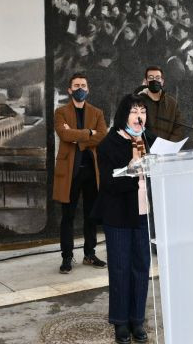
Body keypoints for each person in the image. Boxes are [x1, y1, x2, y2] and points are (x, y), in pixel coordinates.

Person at [94, 94, 152, 343]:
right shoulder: (108, 144)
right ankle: (120, 321)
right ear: (123, 115)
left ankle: (137, 319)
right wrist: (132, 169)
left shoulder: (148, 139)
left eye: (143, 111)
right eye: (134, 111)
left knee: (141, 267)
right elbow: (108, 183)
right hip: (118, 214)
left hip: (142, 213)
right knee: (120, 268)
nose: (140, 116)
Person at [53, 73, 108, 274]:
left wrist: (80, 137)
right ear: (69, 90)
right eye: (76, 85)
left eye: (83, 85)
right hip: (70, 172)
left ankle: (90, 254)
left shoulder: (97, 113)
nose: (80, 88)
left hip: (92, 173)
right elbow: (64, 134)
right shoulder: (60, 112)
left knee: (91, 216)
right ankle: (67, 257)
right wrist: (89, 133)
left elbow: (102, 136)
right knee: (67, 216)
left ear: (88, 89)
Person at [135, 66, 184, 142]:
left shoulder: (172, 103)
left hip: (168, 150)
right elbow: (135, 127)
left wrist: (169, 144)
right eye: (151, 78)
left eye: (158, 78)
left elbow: (179, 127)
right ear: (145, 81)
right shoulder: (138, 101)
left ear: (162, 81)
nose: (154, 80)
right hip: (146, 150)